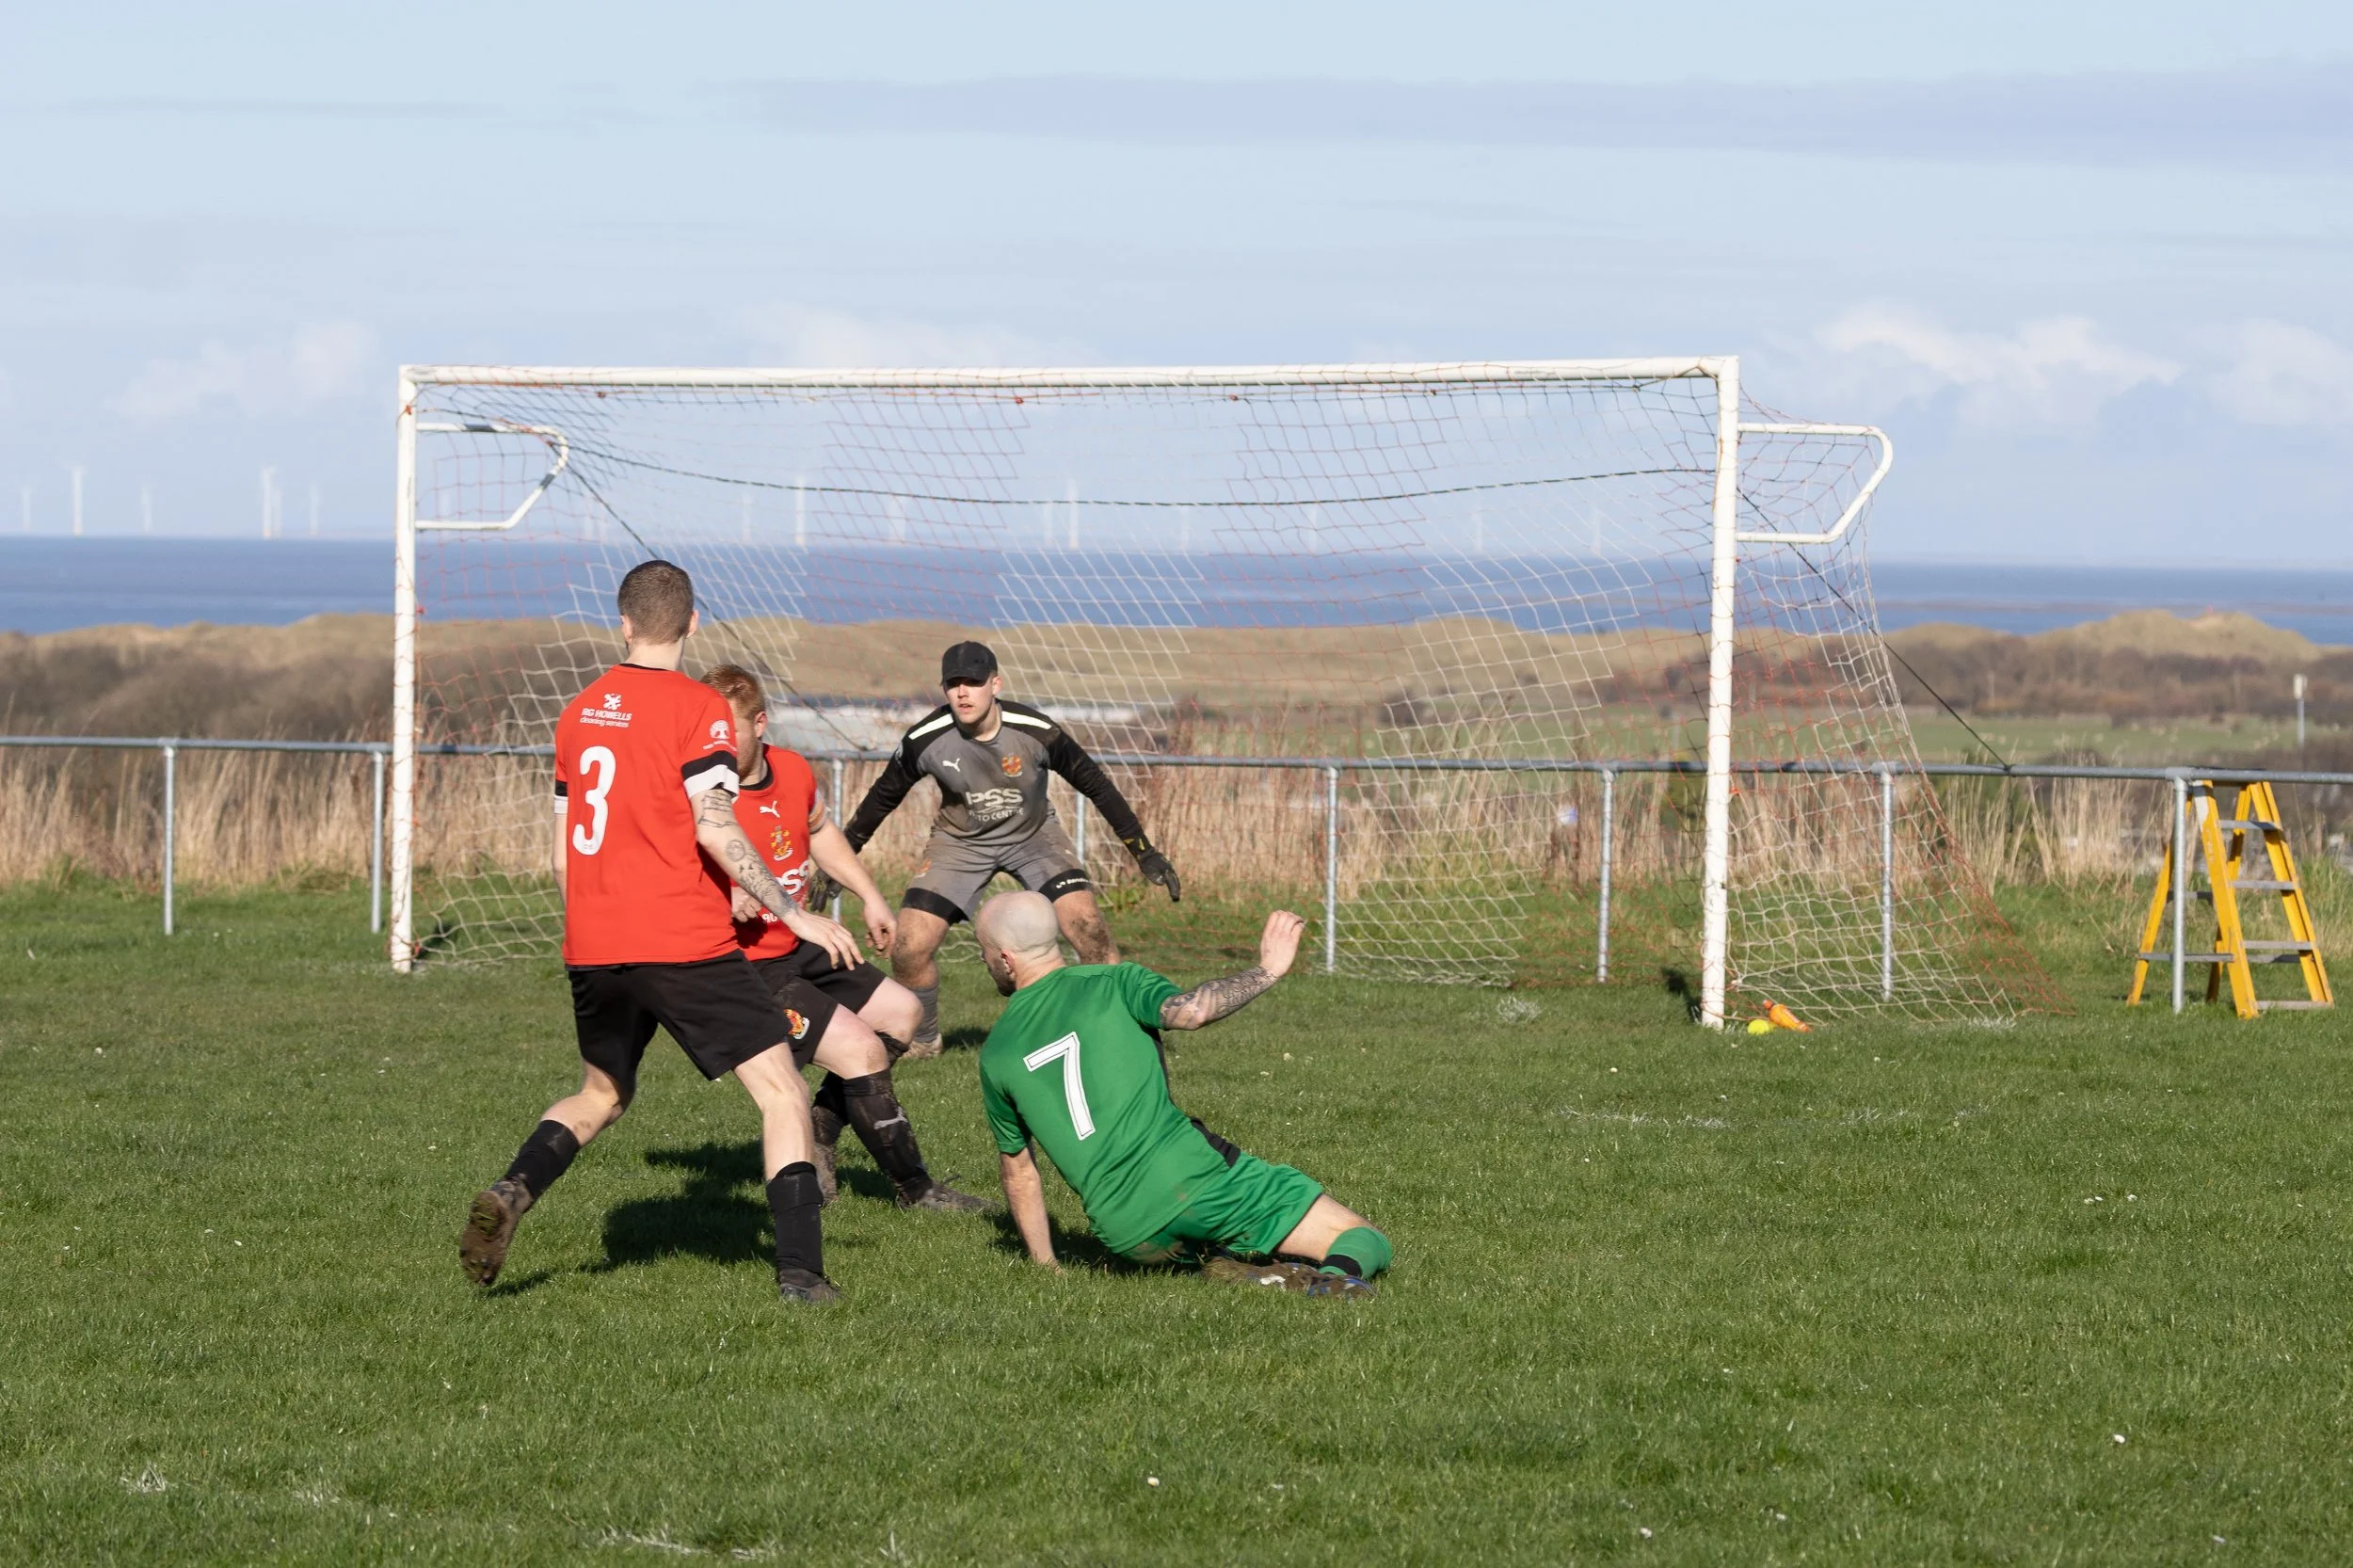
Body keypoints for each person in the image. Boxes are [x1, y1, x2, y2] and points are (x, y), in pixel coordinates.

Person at [458, 559, 863, 1304]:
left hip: (593, 940)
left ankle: (514, 1189)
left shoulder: (578, 712)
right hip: (681, 940)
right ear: (694, 622)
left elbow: (559, 855)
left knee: (601, 1093)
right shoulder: (699, 707)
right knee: (781, 1093)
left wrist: (599, 921)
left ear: (624, 622)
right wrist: (789, 907)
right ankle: (803, 1275)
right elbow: (715, 823)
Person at [973, 891, 1391, 1296]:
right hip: (1193, 1183)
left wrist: (1046, 1267)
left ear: (1006, 960)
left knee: (1215, 1243)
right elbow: (1192, 1012)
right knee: (1362, 1237)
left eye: (983, 950)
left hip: (1128, 1234)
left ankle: (1228, 1265)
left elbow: (1019, 1172)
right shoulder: (1115, 981)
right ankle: (1333, 1283)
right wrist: (1268, 970)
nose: (983, 959)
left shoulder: (995, 1052)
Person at [698, 663, 989, 1212]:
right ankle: (916, 1188)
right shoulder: (702, 792)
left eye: (725, 730)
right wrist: (721, 896)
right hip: (747, 965)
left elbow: (818, 833)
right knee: (859, 1050)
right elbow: (664, 865)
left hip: (799, 941)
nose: (713, 743)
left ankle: (820, 1135)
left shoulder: (792, 770)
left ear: (759, 723)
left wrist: (870, 896)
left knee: (903, 1014)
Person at [844, 640, 1180, 1058]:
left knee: (1090, 930)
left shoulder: (1037, 731)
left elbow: (1096, 786)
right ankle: (924, 1040)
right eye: (954, 684)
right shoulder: (924, 741)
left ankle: (1115, 1030)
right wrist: (839, 861)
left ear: (995, 684)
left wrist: (1143, 851)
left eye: (974, 682)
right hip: (959, 843)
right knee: (909, 946)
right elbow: (881, 799)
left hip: (1035, 837)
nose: (963, 692)